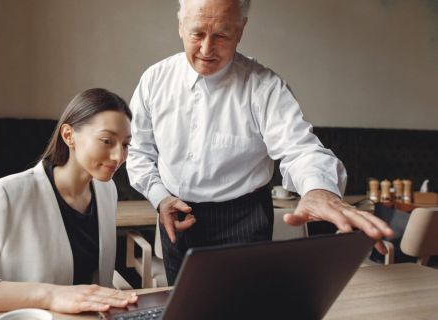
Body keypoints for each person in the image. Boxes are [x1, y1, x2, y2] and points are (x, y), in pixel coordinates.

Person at [126, 0, 394, 284]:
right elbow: (138, 152)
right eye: (197, 34)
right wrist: (160, 198)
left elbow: (300, 149)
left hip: (244, 219)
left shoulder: (264, 87)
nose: (206, 49)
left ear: (240, 31)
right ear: (180, 26)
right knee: (183, 311)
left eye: (221, 35)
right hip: (176, 216)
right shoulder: (154, 81)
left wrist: (318, 190)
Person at [0, 88, 138, 319]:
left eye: (126, 144)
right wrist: (50, 295)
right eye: (107, 141)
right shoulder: (5, 196)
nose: (119, 156)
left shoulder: (106, 190)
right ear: (68, 136)